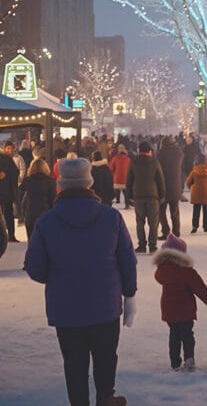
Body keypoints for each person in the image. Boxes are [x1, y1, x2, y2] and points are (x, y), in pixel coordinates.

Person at [24, 157, 137, 406]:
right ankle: (106, 399)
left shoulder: (46, 222)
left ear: (60, 185)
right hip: (105, 306)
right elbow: (127, 259)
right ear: (89, 183)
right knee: (106, 359)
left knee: (74, 365)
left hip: (66, 310)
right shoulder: (111, 218)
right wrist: (129, 294)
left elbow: (35, 269)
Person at [152, 233, 207, 371]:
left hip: (169, 310)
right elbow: (200, 289)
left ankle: (175, 361)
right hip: (185, 310)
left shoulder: (161, 271)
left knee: (174, 334)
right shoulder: (187, 272)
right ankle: (189, 358)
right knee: (187, 335)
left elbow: (159, 277)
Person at [126, 141, 165, 254]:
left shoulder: (134, 162)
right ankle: (152, 246)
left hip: (138, 196)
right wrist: (162, 195)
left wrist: (129, 197)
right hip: (153, 196)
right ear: (150, 151)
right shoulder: (155, 162)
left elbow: (129, 180)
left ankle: (141, 245)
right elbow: (160, 180)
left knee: (140, 222)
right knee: (153, 222)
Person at [19, 158, 56, 240]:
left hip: (30, 213)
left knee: (31, 238)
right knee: (45, 239)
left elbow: (20, 195)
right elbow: (53, 199)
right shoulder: (51, 182)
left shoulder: (27, 180)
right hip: (45, 213)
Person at [156, 135, 183, 238]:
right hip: (175, 185)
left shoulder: (160, 153)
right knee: (175, 211)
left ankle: (165, 231)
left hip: (163, 185)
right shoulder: (178, 152)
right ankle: (176, 232)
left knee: (161, 211)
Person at [186, 154, 207, 233]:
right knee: (206, 211)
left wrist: (192, 188)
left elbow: (188, 182)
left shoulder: (194, 171)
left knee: (196, 211)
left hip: (196, 193)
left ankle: (195, 226)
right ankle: (206, 226)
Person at [0, 140, 20, 242]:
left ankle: (10, 235)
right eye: (8, 149)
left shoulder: (8, 159)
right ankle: (10, 236)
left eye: (11, 149)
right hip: (6, 191)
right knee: (8, 214)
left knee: (7, 213)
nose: (10, 151)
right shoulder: (6, 160)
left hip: (7, 191)